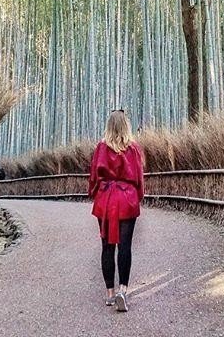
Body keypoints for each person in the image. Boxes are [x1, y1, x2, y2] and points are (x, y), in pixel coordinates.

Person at [88, 110, 144, 312]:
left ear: (109, 126)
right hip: (126, 199)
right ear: (126, 126)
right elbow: (138, 177)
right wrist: (137, 197)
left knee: (107, 247)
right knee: (125, 246)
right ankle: (123, 290)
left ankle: (110, 294)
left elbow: (94, 176)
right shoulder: (133, 148)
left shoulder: (101, 147)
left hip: (106, 198)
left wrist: (96, 193)